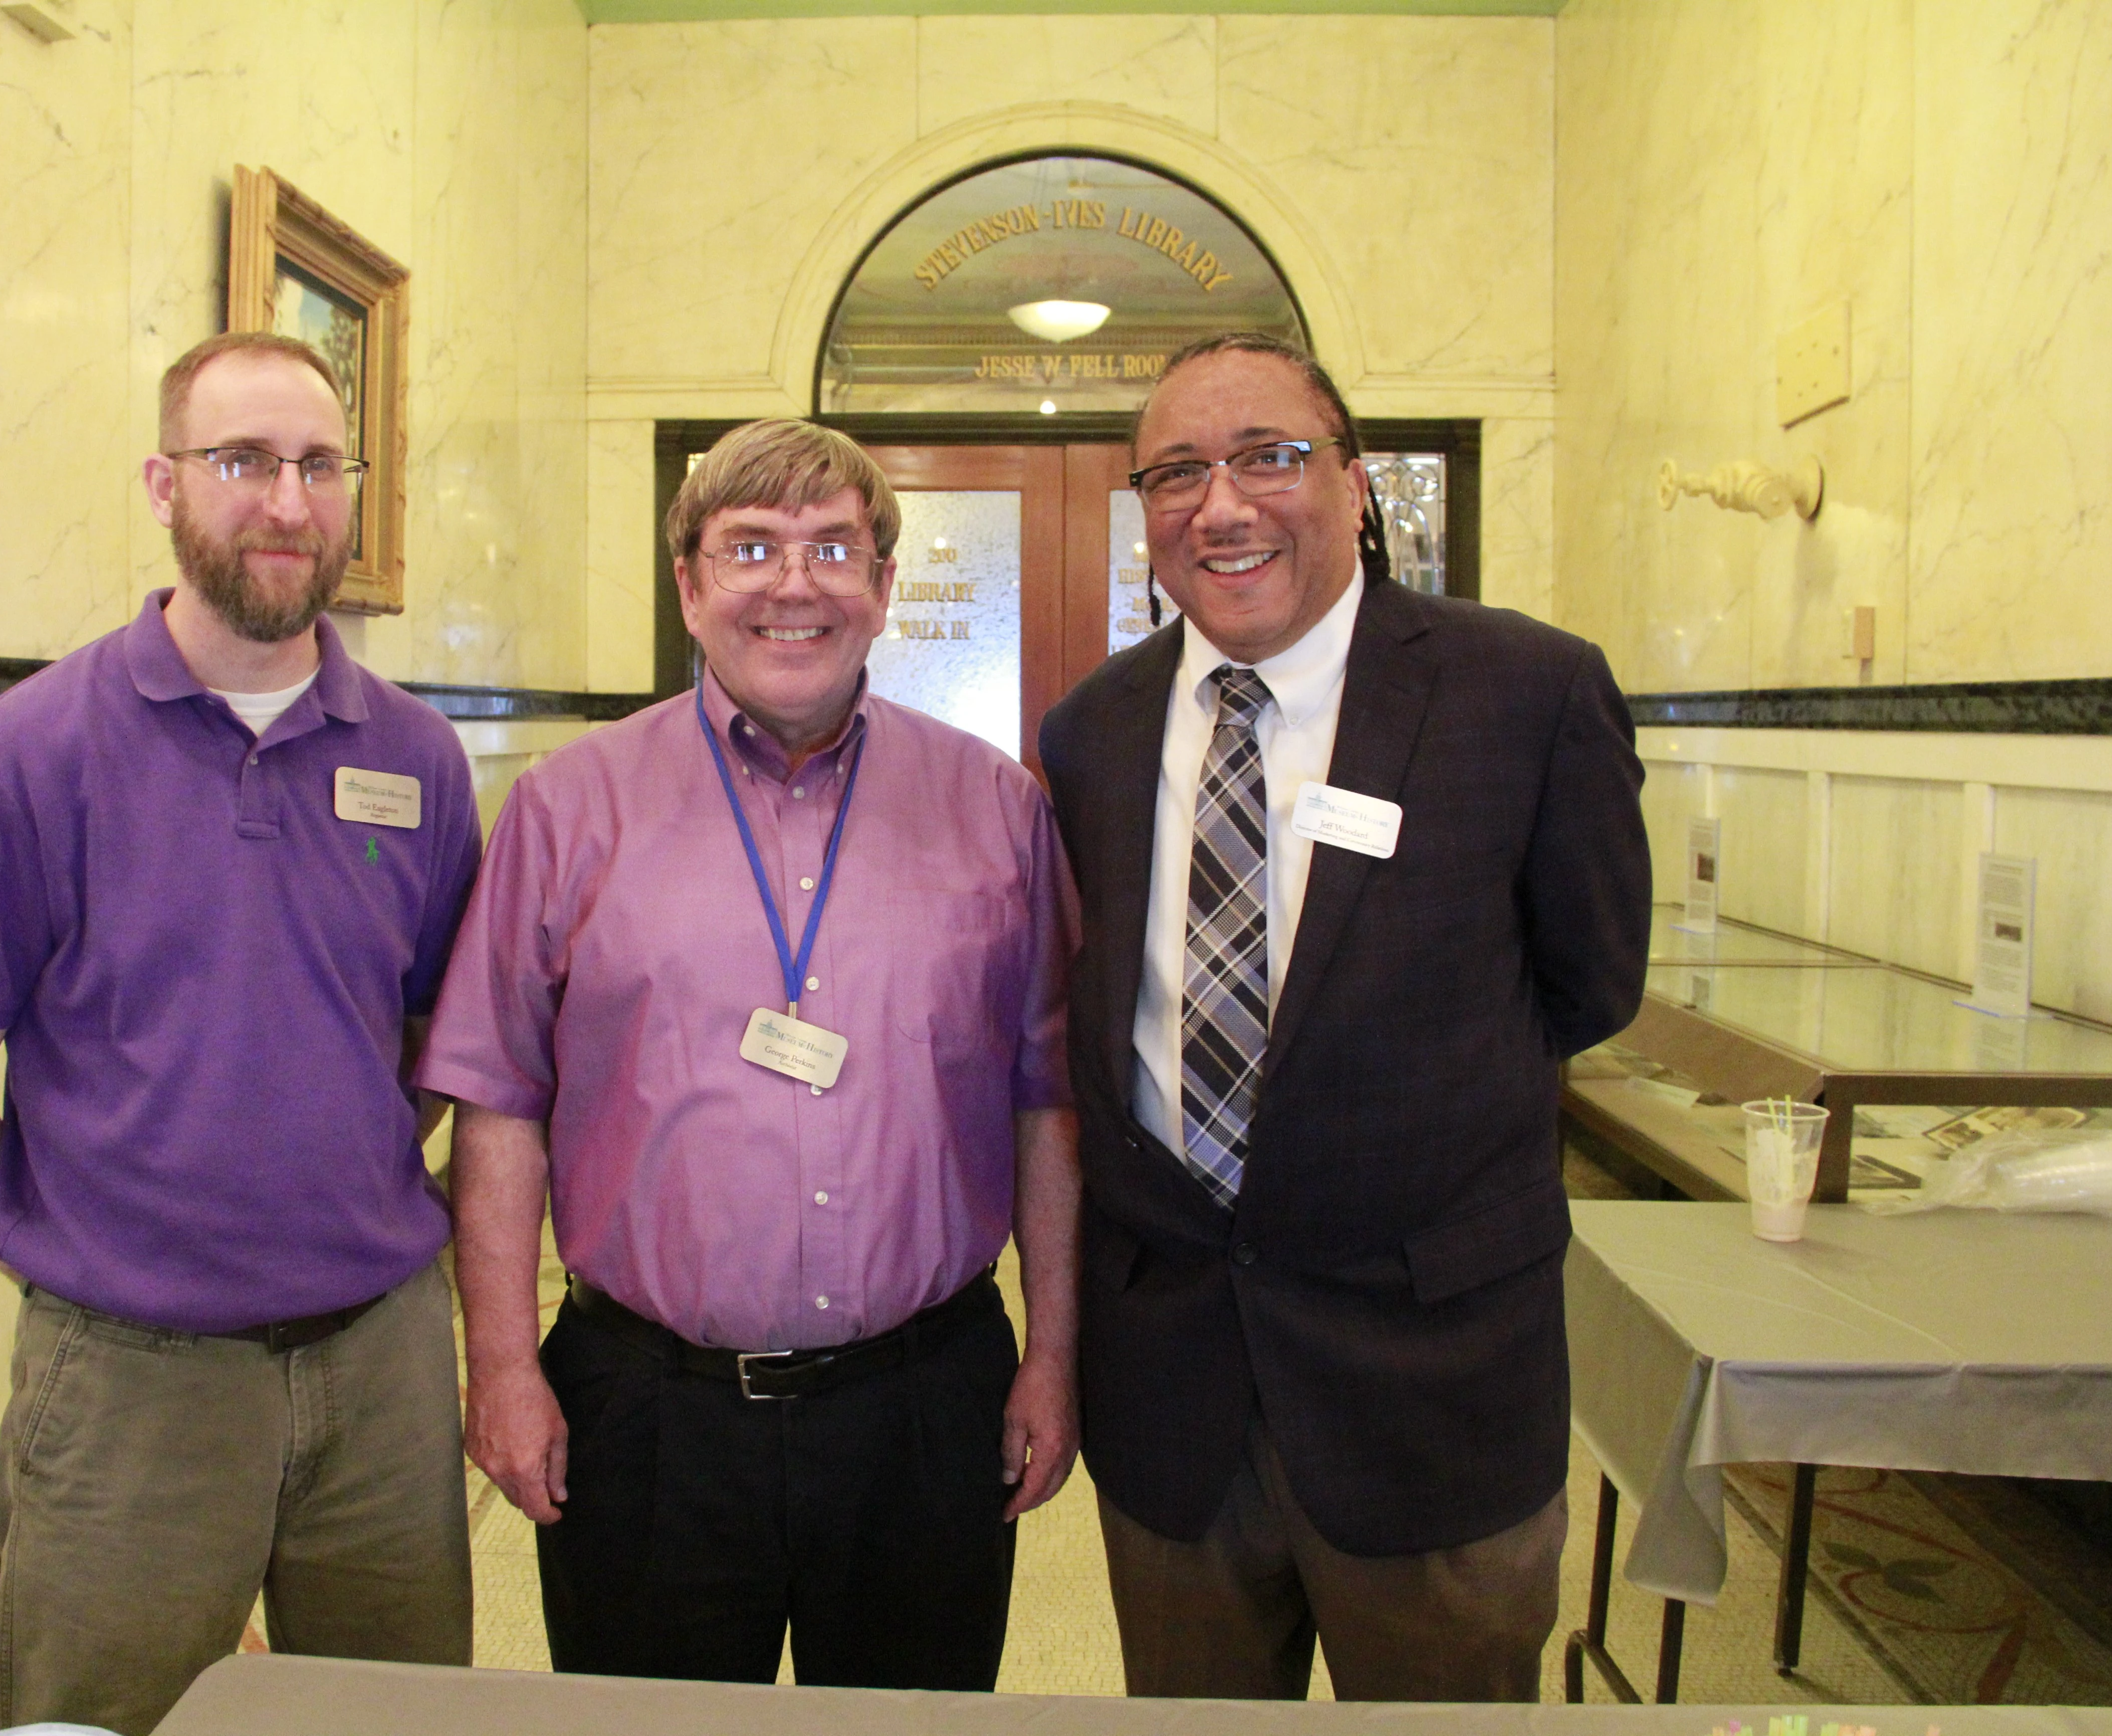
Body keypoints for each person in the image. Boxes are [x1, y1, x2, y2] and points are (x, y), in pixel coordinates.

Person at [0, 330, 482, 1734]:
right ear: (164, 485)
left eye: (320, 466)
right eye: (243, 461)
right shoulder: (30, 753)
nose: (287, 502)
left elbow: (429, 1041)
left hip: (382, 1370)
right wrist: (85, 1264)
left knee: (388, 1722)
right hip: (130, 1384)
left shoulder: (416, 758)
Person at [419, 418, 1081, 1690]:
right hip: (650, 1415)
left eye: (834, 548)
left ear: (884, 586)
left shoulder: (1000, 811)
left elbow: (1046, 1104)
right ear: (689, 585)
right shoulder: (568, 807)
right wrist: (498, 1367)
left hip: (922, 1409)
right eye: (752, 547)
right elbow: (499, 1103)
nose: (794, 583)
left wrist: (1054, 1355)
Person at [1037, 333, 1650, 1702]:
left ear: (1356, 483)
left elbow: (1589, 986)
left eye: (1270, 457)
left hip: (1431, 1387)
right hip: (1175, 1397)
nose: (1223, 505)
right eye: (1177, 472)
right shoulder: (1090, 733)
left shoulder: (1528, 694)